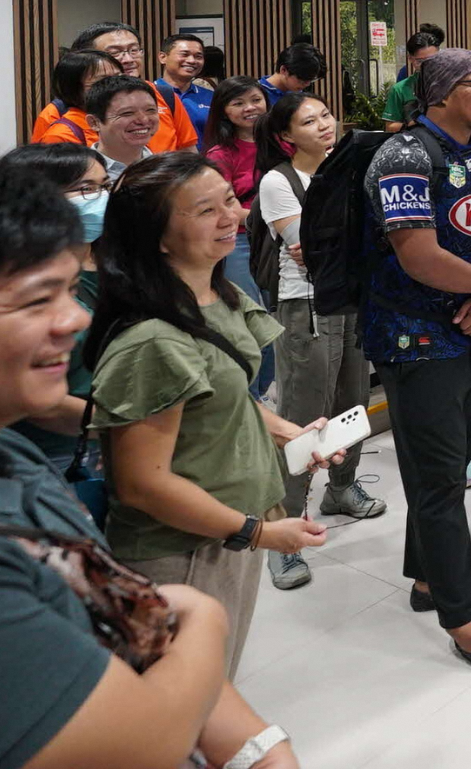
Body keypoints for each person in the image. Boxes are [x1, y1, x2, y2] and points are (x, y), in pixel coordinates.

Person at [0, 142, 305, 768]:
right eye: (33, 300)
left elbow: (145, 646)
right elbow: (139, 740)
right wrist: (201, 620)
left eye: (69, 290)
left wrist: (260, 744)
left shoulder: (4, 459)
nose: (71, 320)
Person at [84, 153, 347, 679]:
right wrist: (257, 534)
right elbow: (143, 484)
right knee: (182, 701)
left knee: (214, 683)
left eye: (230, 198)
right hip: (182, 551)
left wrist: (289, 432)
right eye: (205, 210)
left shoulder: (215, 294)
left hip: (225, 529)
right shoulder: (152, 339)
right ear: (157, 237)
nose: (231, 216)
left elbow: (223, 393)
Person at [359, 48, 471, 674]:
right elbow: (417, 255)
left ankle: (429, 582)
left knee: (453, 459)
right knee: (438, 480)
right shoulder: (403, 156)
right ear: (439, 93)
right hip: (417, 337)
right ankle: (462, 623)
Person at [254, 92, 387, 591]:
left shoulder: (348, 170)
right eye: (309, 121)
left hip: (351, 300)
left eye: (326, 115)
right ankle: (282, 530)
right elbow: (308, 252)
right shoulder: (279, 181)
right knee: (302, 414)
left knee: (352, 400)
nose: (324, 125)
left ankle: (343, 487)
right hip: (305, 306)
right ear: (287, 136)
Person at [0, 142, 112, 474]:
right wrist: (129, 426)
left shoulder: (112, 264)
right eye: (85, 189)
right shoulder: (13, 279)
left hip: (105, 445)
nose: (101, 198)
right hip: (46, 455)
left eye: (104, 187)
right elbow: (34, 400)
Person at [204, 76, 277, 399]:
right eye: (238, 103)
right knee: (250, 320)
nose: (249, 108)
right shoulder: (221, 154)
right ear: (224, 111)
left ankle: (259, 393)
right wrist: (273, 219)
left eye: (255, 100)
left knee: (277, 323)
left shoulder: (283, 144)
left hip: (281, 241)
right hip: (240, 243)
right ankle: (250, 397)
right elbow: (223, 208)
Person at [71, 22, 200, 151]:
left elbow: (188, 152)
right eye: (115, 52)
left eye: (134, 50)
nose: (128, 59)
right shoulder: (63, 110)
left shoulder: (164, 95)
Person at [31, 48, 121, 145]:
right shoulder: (61, 136)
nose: (117, 85)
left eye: (119, 77)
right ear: (73, 88)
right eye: (104, 81)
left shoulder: (122, 120)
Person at [85, 74, 161, 184]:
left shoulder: (166, 170)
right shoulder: (78, 176)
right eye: (127, 113)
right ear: (94, 122)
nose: (143, 120)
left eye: (150, 110)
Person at [153, 33, 214, 142]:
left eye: (198, 56)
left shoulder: (211, 97)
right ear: (163, 57)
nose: (192, 61)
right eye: (184, 54)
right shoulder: (147, 94)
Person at [382, 27, 443, 132]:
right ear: (410, 58)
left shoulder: (451, 83)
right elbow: (390, 127)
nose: (427, 66)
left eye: (432, 60)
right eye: (420, 61)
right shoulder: (400, 89)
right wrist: (412, 125)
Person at [259, 43, 323, 108]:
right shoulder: (259, 93)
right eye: (302, 79)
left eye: (311, 79)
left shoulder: (296, 91)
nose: (307, 84)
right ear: (283, 70)